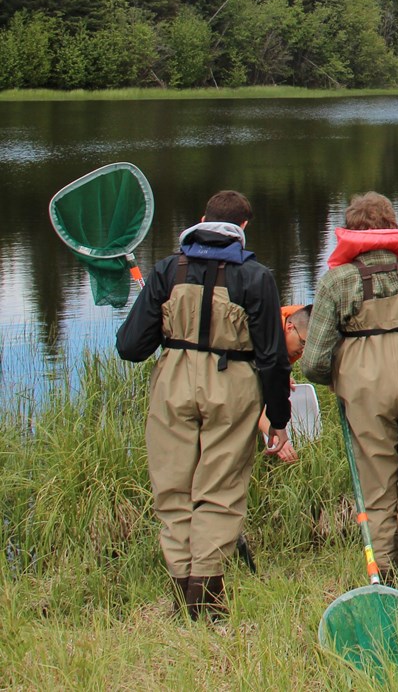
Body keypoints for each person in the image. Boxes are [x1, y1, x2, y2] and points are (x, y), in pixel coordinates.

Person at [115, 190, 290, 622]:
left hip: (173, 381)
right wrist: (279, 420)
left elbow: (130, 347)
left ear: (201, 220)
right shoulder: (256, 276)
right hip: (232, 385)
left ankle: (182, 599)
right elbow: (272, 357)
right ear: (243, 230)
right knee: (220, 491)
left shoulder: (166, 269)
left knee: (173, 490)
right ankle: (206, 604)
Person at [301, 192, 398, 603]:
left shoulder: (337, 281)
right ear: (391, 225)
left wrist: (339, 378)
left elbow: (313, 360)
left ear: (351, 231)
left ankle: (387, 583)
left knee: (377, 481)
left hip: (364, 383)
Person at [257, 303, 311, 463]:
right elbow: (248, 400)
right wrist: (277, 437)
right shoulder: (264, 339)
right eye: (302, 343)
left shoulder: (288, 341)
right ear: (289, 327)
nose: (303, 351)